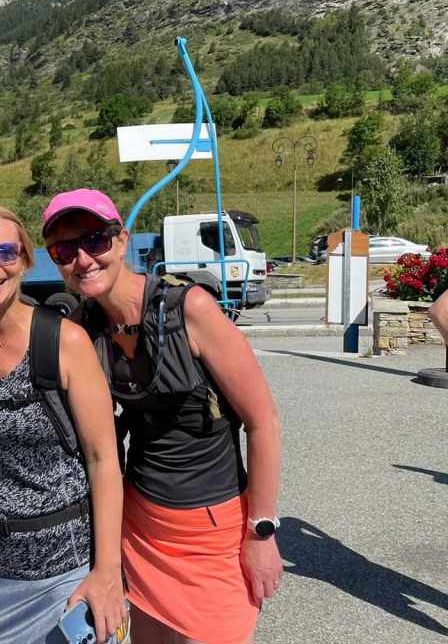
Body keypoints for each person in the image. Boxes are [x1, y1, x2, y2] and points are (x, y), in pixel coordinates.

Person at [42, 189, 283, 644]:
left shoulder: (189, 309)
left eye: (94, 241)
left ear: (121, 241)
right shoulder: (83, 327)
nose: (83, 259)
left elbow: (263, 421)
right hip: (142, 528)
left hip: (215, 533)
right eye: (64, 250)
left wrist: (261, 533)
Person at [0, 204, 127, 644]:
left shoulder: (63, 340)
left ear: (26, 260)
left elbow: (104, 459)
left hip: (67, 572)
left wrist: (107, 572)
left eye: (6, 252)